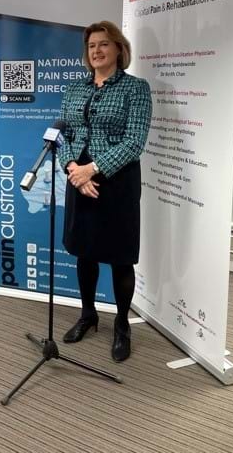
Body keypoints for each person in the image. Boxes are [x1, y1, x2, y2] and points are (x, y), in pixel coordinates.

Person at [58, 20, 152, 362]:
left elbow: (135, 141)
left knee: (120, 256)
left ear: (118, 49)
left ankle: (122, 325)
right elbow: (63, 134)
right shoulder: (74, 89)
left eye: (104, 44)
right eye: (91, 46)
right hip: (78, 179)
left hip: (116, 182)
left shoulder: (136, 88)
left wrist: (92, 169)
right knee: (85, 252)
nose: (96, 50)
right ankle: (88, 315)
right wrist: (73, 169)